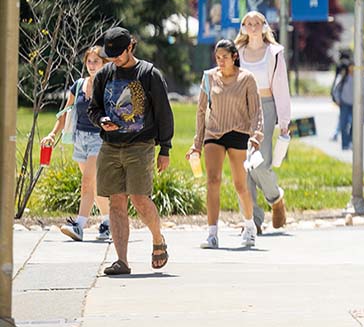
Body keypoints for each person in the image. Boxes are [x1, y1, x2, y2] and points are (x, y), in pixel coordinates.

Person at [88, 27, 174, 275]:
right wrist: (102, 120)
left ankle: (158, 239)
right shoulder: (104, 74)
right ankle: (122, 261)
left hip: (140, 145)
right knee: (116, 201)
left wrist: (165, 148)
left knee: (139, 198)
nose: (114, 58)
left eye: (118, 54)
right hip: (111, 145)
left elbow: (163, 113)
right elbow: (93, 109)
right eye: (110, 54)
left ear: (130, 47)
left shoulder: (148, 74)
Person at [188, 39, 264, 249]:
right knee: (213, 180)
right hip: (214, 132)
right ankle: (212, 233)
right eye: (218, 57)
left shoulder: (247, 78)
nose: (221, 61)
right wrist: (196, 143)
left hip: (239, 133)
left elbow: (256, 111)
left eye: (225, 57)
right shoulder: (209, 77)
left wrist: (256, 136)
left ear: (234, 57)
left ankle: (249, 227)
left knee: (240, 184)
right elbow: (201, 110)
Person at [43, 46, 110, 242]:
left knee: (87, 182)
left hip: (99, 138)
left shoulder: (108, 85)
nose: (91, 65)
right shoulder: (78, 84)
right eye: (89, 61)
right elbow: (65, 112)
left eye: (96, 61)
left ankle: (79, 226)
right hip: (79, 139)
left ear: (104, 63)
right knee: (94, 186)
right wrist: (52, 133)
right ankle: (108, 221)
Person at [235, 11, 290, 233]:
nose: (253, 26)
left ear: (265, 26)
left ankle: (275, 198)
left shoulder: (274, 53)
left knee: (260, 162)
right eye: (249, 23)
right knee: (244, 166)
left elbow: (282, 88)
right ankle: (252, 221)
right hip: (242, 109)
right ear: (243, 28)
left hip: (266, 107)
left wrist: (284, 120)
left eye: (257, 23)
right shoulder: (236, 52)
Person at [331, 53, 354, 149]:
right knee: (344, 124)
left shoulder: (358, 78)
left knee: (354, 124)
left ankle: (351, 141)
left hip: (354, 105)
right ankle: (345, 144)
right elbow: (336, 89)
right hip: (344, 103)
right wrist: (337, 100)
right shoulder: (343, 78)